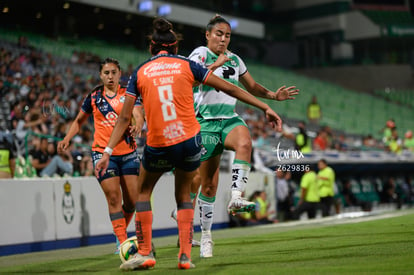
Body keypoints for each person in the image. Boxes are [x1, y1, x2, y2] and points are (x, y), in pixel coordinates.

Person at [95, 17, 284, 270]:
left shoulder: (140, 71)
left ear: (152, 47)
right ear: (175, 47)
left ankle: (145, 252)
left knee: (143, 193)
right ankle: (184, 257)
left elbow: (125, 118)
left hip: (159, 142)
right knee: (186, 194)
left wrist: (107, 150)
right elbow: (231, 88)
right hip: (188, 139)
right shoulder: (187, 64)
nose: (223, 39)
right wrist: (266, 105)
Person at [188, 14, 299, 258]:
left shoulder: (235, 59)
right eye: (219, 34)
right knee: (209, 183)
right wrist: (216, 64)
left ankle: (237, 197)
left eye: (227, 35)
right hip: (204, 122)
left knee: (245, 141)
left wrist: (271, 96)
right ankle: (206, 237)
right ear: (207, 35)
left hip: (229, 118)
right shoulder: (199, 54)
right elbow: (192, 79)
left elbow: (251, 86)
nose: (223, 39)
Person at [57, 57, 144, 253]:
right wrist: (67, 138)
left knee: (131, 201)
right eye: (106, 73)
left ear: (120, 74)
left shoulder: (128, 93)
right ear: (100, 75)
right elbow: (79, 121)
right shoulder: (94, 97)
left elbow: (139, 113)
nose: (110, 76)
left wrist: (138, 124)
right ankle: (122, 242)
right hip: (102, 154)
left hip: (129, 153)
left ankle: (118, 232)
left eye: (114, 72)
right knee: (114, 198)